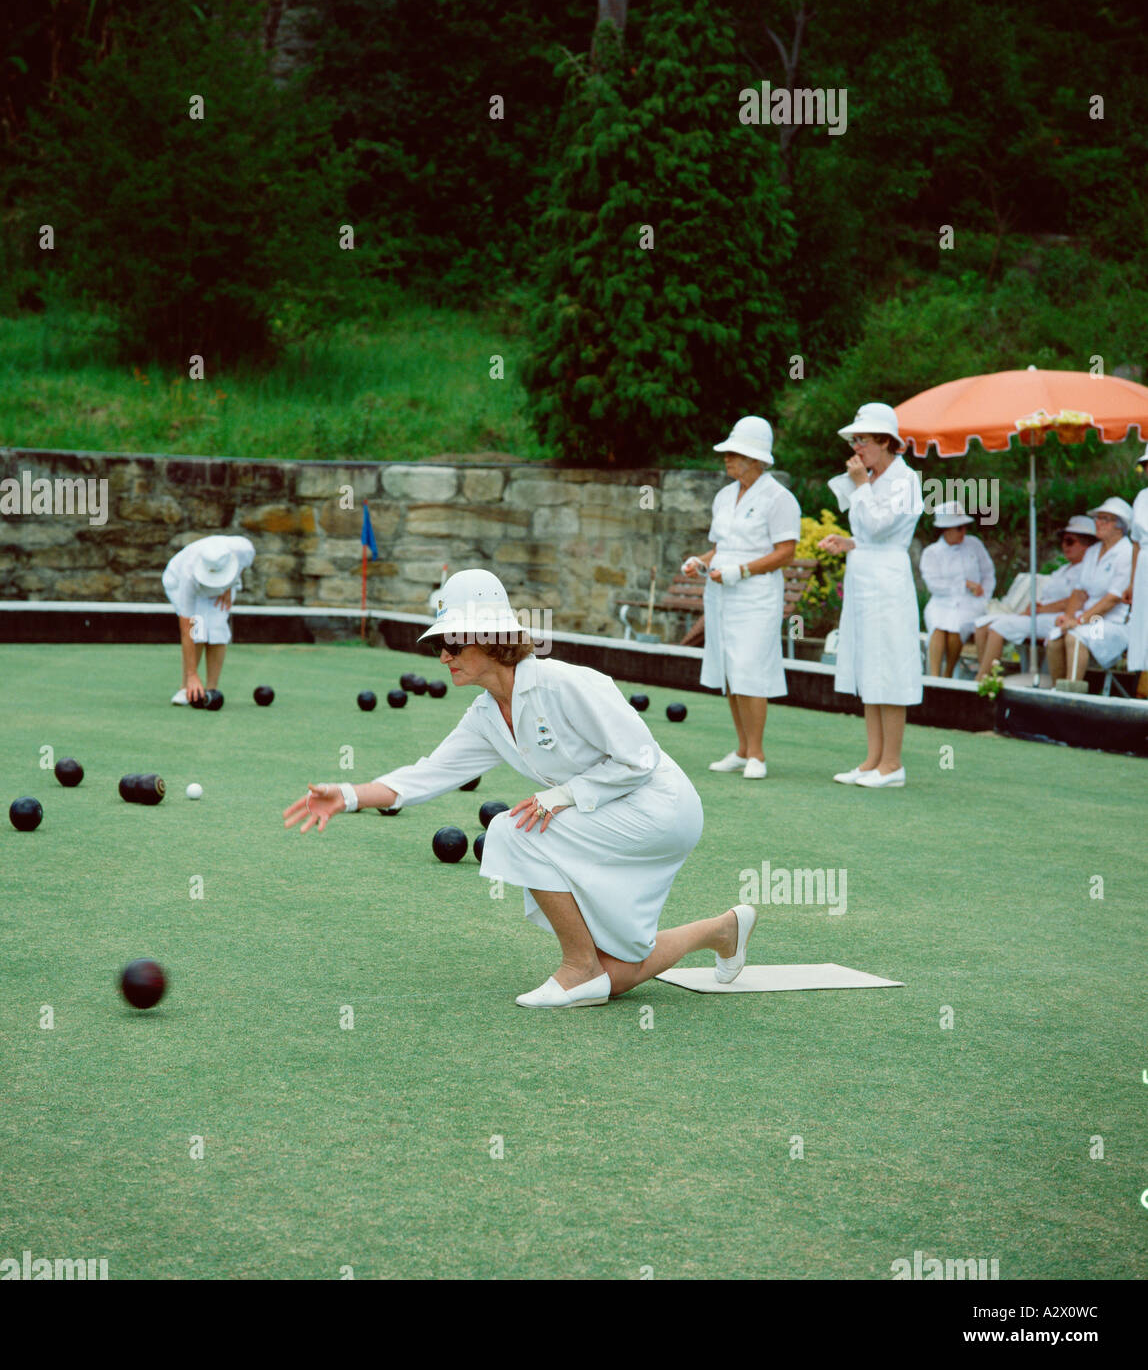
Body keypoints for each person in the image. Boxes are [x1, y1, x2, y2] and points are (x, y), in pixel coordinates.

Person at [282, 569, 757, 1009]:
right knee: (621, 973)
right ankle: (722, 930)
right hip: (606, 816)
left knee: (514, 829)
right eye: (438, 646)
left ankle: (577, 967)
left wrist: (562, 796)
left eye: (451, 642)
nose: (443, 655)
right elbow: (428, 774)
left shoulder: (565, 683)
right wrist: (346, 795)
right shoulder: (487, 715)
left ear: (491, 640)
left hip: (660, 809)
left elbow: (640, 759)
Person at [681, 415, 801, 779]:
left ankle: (758, 755)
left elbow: (786, 553)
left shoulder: (780, 499)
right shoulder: (724, 496)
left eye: (734, 453)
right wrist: (699, 562)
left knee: (749, 669)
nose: (727, 459)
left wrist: (742, 571)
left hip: (756, 596)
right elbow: (721, 549)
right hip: (720, 595)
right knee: (730, 671)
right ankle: (742, 748)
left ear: (755, 458)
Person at [818, 403, 922, 787]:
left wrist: (861, 485)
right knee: (870, 666)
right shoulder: (875, 479)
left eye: (862, 440)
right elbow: (866, 535)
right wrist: (846, 542)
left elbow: (880, 526)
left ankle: (892, 764)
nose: (856, 447)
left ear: (885, 441)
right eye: (855, 440)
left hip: (889, 582)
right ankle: (873, 759)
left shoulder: (905, 480)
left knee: (890, 666)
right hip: (865, 578)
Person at [972, 517, 1097, 677]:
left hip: (1058, 619)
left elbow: (1075, 601)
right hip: (1042, 615)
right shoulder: (1063, 569)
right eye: (1063, 541)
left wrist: (1039, 609)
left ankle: (984, 679)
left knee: (998, 628)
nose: (1064, 546)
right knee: (982, 624)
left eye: (1070, 541)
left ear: (1087, 545)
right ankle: (985, 674)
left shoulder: (1085, 571)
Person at [161, 534, 256, 705]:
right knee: (199, 628)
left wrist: (229, 585)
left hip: (222, 588)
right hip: (177, 584)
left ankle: (211, 689)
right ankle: (186, 687)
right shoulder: (188, 575)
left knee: (217, 626)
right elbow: (187, 627)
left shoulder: (243, 549)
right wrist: (192, 674)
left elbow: (243, 565)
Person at [1047, 498, 1133, 684]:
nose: (1098, 523)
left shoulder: (1127, 552)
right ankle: (1056, 692)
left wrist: (1079, 621)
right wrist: (1069, 618)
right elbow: (1079, 592)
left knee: (1075, 637)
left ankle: (1071, 691)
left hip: (1112, 623)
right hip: (1086, 618)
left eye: (1104, 519)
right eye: (1097, 518)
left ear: (1119, 526)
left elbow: (1113, 599)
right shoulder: (1093, 551)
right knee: (1055, 638)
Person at [919, 503, 995, 678]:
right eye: (959, 528)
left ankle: (948, 674)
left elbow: (988, 573)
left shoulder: (974, 544)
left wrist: (984, 598)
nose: (963, 532)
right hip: (941, 602)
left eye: (964, 527)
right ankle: (935, 677)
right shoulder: (931, 552)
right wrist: (964, 584)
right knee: (938, 627)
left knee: (955, 628)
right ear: (946, 530)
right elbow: (934, 585)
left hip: (971, 603)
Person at [1126, 448, 1148, 691]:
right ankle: (1143, 684)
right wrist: (1132, 582)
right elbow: (1135, 542)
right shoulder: (1142, 497)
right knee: (1143, 623)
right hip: (1143, 566)